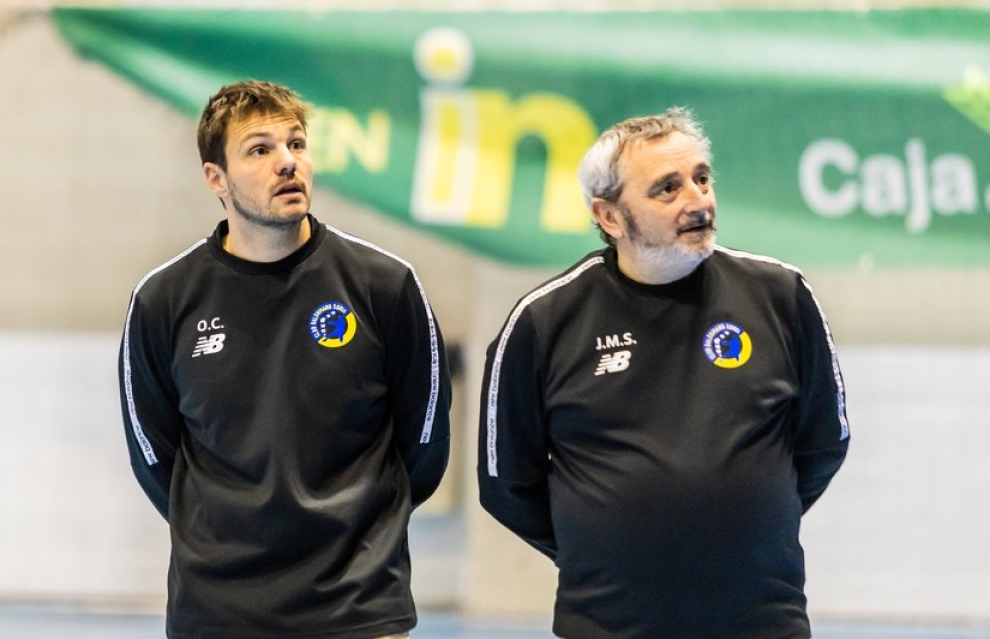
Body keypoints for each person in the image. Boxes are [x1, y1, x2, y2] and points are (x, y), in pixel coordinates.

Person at [477, 107, 850, 639]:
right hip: (610, 625)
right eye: (667, 189)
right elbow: (505, 483)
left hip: (761, 622)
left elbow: (824, 444)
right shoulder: (543, 322)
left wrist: (746, 525)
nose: (698, 200)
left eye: (701, 178)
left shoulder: (781, 296)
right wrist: (601, 547)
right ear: (609, 217)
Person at [119, 80, 451, 639]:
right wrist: (220, 533)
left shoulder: (383, 285)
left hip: (357, 607)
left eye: (297, 144)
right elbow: (154, 454)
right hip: (218, 612)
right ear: (215, 179)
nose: (287, 162)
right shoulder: (163, 301)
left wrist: (360, 530)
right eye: (260, 149)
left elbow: (424, 442)